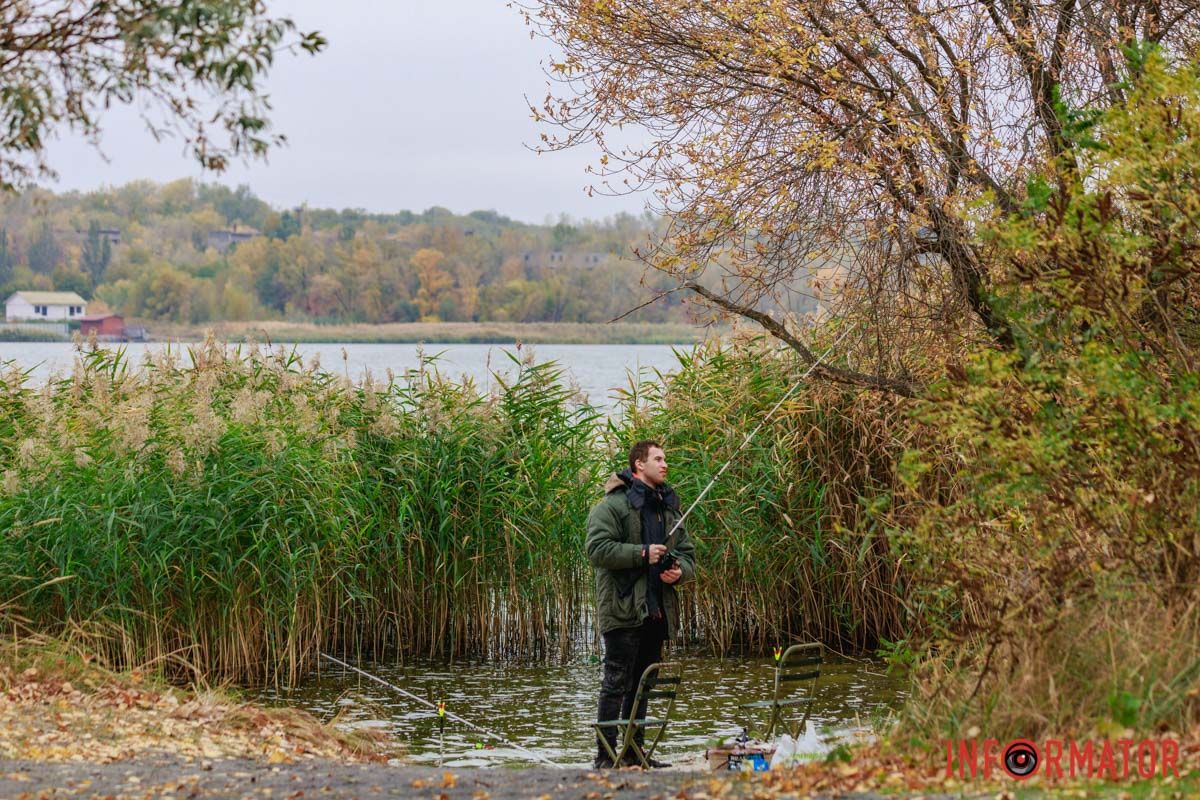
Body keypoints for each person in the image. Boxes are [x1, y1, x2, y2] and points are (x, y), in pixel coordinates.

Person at [586, 440, 696, 769]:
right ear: (638, 464)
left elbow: (689, 556)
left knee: (643, 685)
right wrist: (642, 553)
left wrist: (678, 574)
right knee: (616, 683)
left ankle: (635, 754)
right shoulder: (613, 506)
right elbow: (597, 550)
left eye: (665, 459)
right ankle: (605, 758)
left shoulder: (668, 507)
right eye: (658, 459)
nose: (665, 465)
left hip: (656, 609)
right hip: (622, 609)